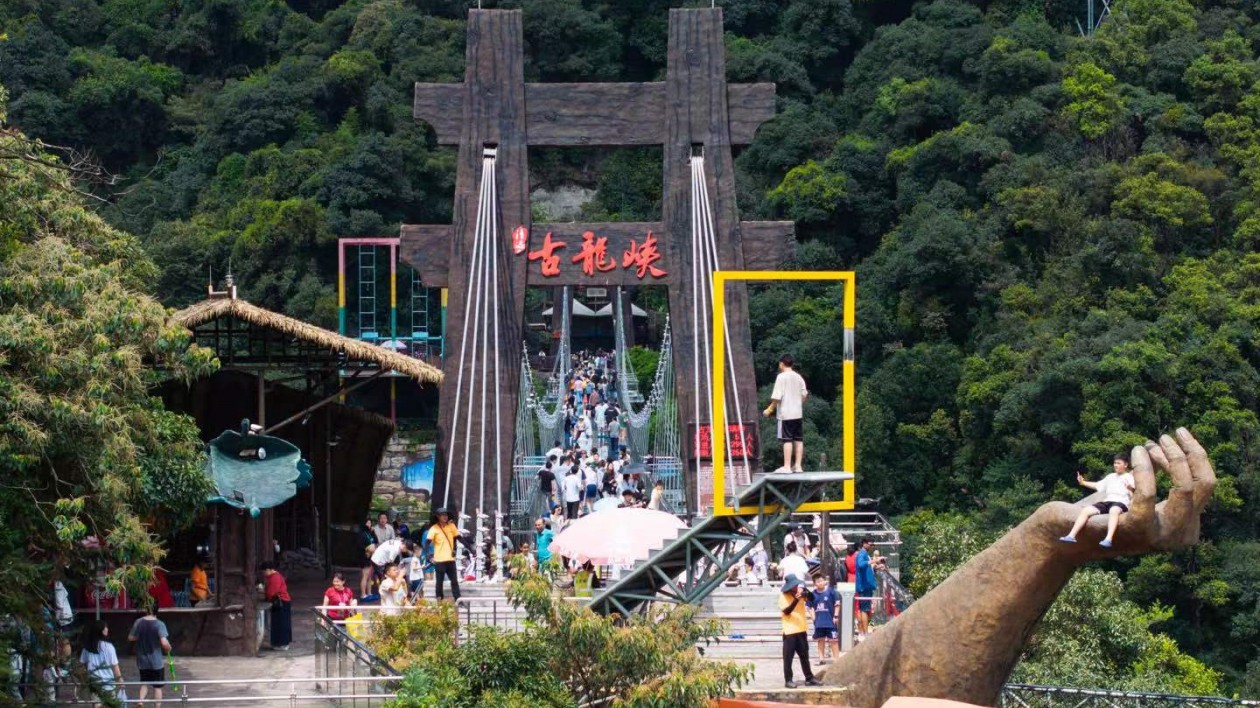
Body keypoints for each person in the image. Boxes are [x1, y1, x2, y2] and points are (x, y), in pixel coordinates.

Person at [1059, 453, 1137, 548]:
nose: (1115, 465)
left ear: (1125, 465)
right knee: (1086, 510)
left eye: (1118, 463)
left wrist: (1130, 488)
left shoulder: (1129, 477)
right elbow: (1097, 485)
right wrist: (1083, 482)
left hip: (1121, 502)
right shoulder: (1111, 476)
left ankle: (1108, 539)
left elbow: (1135, 490)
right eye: (1115, 463)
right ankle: (1071, 536)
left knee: (1114, 510)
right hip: (1107, 501)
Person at [763, 354, 808, 473]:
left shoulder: (781, 377)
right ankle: (798, 466)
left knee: (787, 439)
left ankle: (787, 466)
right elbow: (804, 394)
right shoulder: (798, 377)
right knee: (798, 439)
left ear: (782, 364)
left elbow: (777, 397)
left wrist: (769, 410)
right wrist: (797, 404)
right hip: (798, 413)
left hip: (785, 414)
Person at [778, 575, 820, 689]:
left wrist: (806, 592)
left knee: (804, 656)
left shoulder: (801, 593)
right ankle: (788, 680)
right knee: (788, 657)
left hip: (801, 629)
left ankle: (809, 678)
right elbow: (787, 611)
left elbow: (813, 598)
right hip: (789, 631)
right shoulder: (783, 596)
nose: (797, 587)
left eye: (797, 585)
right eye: (794, 586)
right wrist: (796, 600)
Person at [128, 601, 172, 707]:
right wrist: (168, 648)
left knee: (144, 682)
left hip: (142, 660)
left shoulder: (138, 622)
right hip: (156, 661)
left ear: (146, 609)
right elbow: (163, 642)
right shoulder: (159, 624)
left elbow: (130, 638)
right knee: (157, 687)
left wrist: (142, 636)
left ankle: (141, 701)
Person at [79, 620, 123, 706]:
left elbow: (82, 665)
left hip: (94, 684)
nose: (107, 629)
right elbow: (115, 666)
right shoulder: (109, 647)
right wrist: (120, 680)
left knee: (96, 705)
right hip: (108, 684)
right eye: (105, 627)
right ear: (101, 631)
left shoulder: (87, 648)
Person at [427, 508, 463, 602]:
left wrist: (471, 548)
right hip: (439, 560)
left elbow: (459, 538)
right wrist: (430, 555)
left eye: (446, 515)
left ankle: (458, 600)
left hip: (450, 559)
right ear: (438, 517)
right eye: (442, 515)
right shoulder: (434, 528)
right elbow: (427, 543)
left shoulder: (451, 526)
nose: (445, 517)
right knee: (439, 582)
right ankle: (440, 600)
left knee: (454, 581)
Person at [260, 562, 291, 650]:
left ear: (268, 570)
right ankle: (281, 643)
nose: (264, 574)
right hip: (282, 601)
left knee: (281, 624)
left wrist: (265, 593)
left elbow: (272, 592)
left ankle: (282, 644)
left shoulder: (275, 577)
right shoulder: (275, 576)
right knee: (280, 623)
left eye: (264, 572)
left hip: (281, 602)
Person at [809, 575, 840, 664]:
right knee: (820, 640)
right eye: (817, 581)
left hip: (830, 621)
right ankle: (821, 659)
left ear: (825, 581)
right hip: (819, 622)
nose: (820, 583)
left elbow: (837, 604)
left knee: (833, 640)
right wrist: (813, 617)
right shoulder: (812, 594)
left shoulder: (831, 592)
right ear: (814, 583)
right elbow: (809, 607)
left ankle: (836, 660)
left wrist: (836, 616)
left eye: (821, 581)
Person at [854, 538, 877, 639]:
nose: (871, 547)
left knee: (865, 609)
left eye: (872, 546)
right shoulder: (862, 554)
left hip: (866, 586)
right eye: (870, 545)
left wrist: (877, 566)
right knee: (864, 609)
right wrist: (873, 560)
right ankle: (864, 632)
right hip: (864, 586)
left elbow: (867, 567)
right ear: (864, 544)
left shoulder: (865, 554)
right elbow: (861, 564)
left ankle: (864, 632)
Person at [359, 518, 378, 598]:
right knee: (365, 575)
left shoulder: (369, 533)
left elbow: (376, 541)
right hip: (364, 556)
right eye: (367, 523)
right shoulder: (361, 533)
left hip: (371, 556)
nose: (369, 525)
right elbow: (360, 545)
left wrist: (373, 532)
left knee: (370, 575)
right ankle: (363, 594)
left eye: (370, 523)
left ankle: (369, 592)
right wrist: (367, 549)